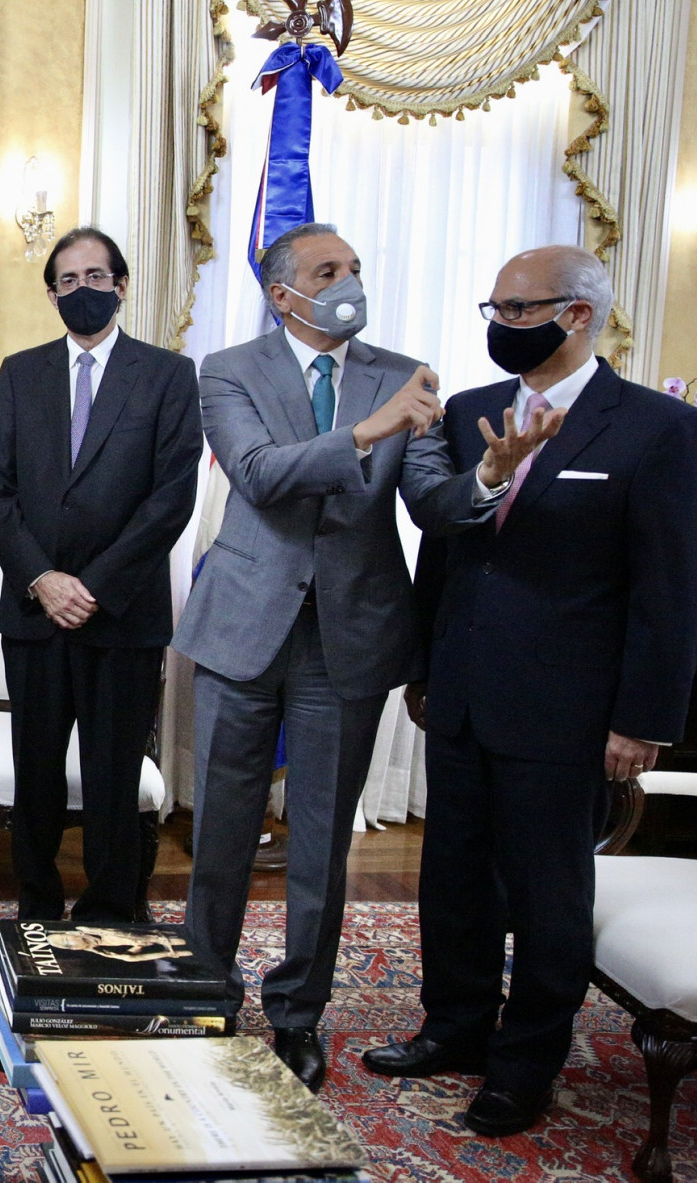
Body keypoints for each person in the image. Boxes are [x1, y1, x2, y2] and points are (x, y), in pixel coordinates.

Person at [173, 223, 560, 1092]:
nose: (349, 281)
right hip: (243, 626)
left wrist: (488, 478)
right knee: (222, 832)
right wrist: (366, 431)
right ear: (284, 295)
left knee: (321, 842)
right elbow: (260, 473)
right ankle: (206, 995)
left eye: (354, 267)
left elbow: (428, 500)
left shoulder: (403, 372)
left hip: (349, 635)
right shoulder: (229, 369)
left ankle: (297, 1013)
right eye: (328, 271)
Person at [362, 245, 697, 1136]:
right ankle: (455, 1027)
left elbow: (671, 590)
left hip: (569, 709)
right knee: (454, 877)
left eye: (519, 310)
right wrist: (424, 670)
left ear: (579, 314)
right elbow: (442, 546)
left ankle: (526, 1066)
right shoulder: (472, 411)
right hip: (462, 690)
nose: (502, 325)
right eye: (495, 309)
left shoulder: (657, 427)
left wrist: (643, 719)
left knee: (548, 895)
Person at [0, 227, 202, 927]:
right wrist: (43, 579)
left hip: (122, 616)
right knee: (37, 776)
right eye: (67, 280)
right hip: (35, 616)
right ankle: (37, 911)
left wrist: (92, 586)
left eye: (95, 276)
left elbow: (171, 497)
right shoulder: (20, 372)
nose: (82, 290)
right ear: (52, 295)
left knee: (113, 778)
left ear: (121, 285)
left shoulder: (167, 375)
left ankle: (109, 916)